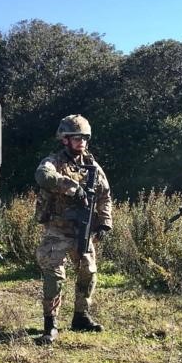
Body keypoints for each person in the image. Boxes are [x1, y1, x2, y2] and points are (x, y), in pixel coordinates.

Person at [33, 114, 113, 345]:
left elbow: (105, 195)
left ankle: (81, 316)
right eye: (76, 137)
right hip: (57, 230)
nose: (81, 142)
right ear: (65, 139)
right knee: (55, 277)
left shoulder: (92, 166)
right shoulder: (54, 161)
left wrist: (105, 222)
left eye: (84, 138)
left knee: (88, 272)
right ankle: (50, 325)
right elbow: (43, 175)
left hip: (82, 229)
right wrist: (70, 187)